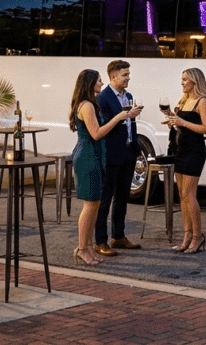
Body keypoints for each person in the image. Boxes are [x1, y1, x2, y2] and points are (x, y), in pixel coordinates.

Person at [69, 69, 140, 265]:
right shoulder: (87, 106)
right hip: (88, 157)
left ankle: (89, 247)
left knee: (95, 204)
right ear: (89, 83)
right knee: (90, 205)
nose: (101, 83)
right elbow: (97, 133)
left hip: (95, 155)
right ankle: (82, 248)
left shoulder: (91, 104)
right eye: (99, 81)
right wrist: (120, 117)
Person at [93, 60, 144, 257]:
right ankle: (100, 241)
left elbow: (130, 123)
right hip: (112, 153)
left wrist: (135, 146)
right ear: (112, 77)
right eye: (124, 75)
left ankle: (119, 235)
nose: (128, 78)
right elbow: (104, 126)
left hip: (128, 152)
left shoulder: (128, 96)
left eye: (128, 74)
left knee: (123, 196)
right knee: (106, 198)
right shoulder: (103, 99)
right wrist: (125, 115)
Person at [166, 68, 206, 254]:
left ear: (195, 81)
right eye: (182, 79)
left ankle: (198, 236)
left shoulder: (202, 102)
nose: (182, 82)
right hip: (180, 149)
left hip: (195, 151)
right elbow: (181, 125)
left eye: (185, 79)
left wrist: (182, 122)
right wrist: (172, 120)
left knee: (189, 194)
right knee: (182, 195)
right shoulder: (184, 101)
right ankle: (187, 235)